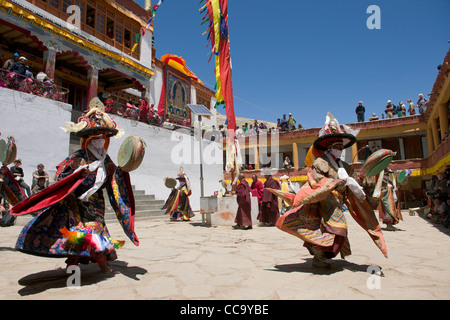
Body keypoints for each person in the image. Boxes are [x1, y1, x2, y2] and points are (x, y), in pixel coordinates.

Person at [12, 97, 139, 274]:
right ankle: (88, 264)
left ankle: (89, 263)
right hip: (76, 202)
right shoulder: (78, 156)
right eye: (95, 137)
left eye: (102, 137)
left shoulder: (107, 160)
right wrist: (76, 174)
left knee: (90, 231)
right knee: (83, 233)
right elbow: (60, 175)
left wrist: (123, 171)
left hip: (96, 203)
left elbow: (113, 180)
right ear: (89, 138)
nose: (99, 141)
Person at [272, 112, 388, 268]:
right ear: (330, 147)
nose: (339, 150)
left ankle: (319, 254)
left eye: (341, 147)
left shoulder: (345, 166)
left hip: (338, 202)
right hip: (326, 199)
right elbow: (315, 178)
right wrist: (334, 183)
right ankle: (319, 253)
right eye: (337, 147)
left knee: (332, 230)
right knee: (339, 228)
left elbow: (353, 180)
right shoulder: (321, 162)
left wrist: (360, 180)